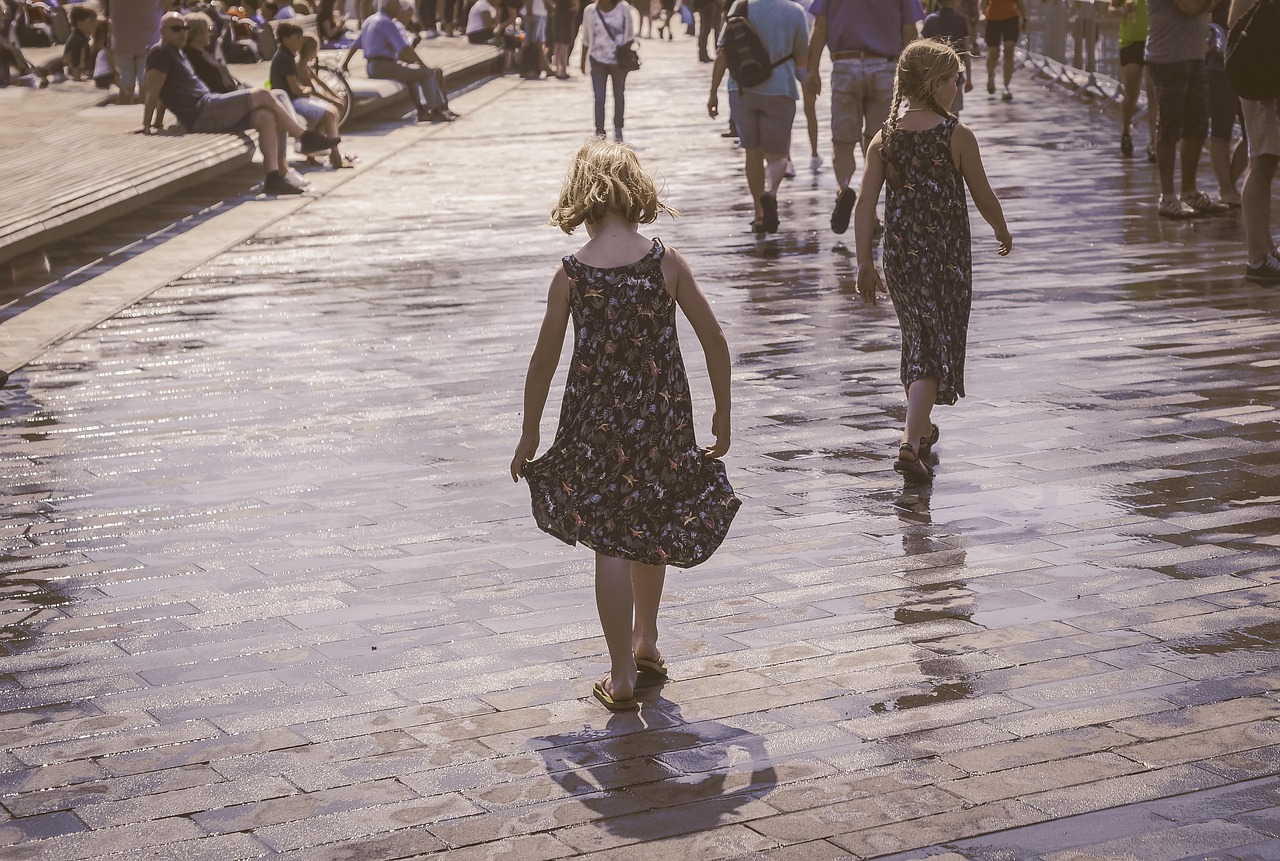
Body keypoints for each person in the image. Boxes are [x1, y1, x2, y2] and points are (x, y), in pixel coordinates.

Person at [510, 139, 740, 711]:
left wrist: (530, 432)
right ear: (636, 193)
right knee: (650, 526)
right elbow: (715, 341)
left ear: (580, 200)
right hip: (661, 420)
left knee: (609, 540)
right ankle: (647, 640)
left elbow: (544, 361)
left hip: (595, 426)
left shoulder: (571, 275)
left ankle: (621, 674)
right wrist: (723, 414)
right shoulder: (666, 263)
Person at [852, 38, 1012, 484]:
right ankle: (908, 442)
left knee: (917, 340)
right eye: (955, 81)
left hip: (900, 257)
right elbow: (983, 194)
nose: (958, 90)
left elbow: (865, 204)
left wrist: (864, 260)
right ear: (936, 83)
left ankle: (920, 432)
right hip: (946, 261)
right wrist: (1002, 230)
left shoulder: (884, 139)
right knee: (932, 351)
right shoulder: (956, 136)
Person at [143, 11, 338, 194]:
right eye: (175, 29)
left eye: (184, 28)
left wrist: (158, 122)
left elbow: (163, 94)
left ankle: (273, 177)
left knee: (265, 116)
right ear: (162, 32)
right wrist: (147, 125)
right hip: (202, 110)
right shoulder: (160, 53)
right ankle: (303, 137)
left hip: (209, 108)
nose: (182, 33)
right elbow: (154, 91)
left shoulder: (178, 53)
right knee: (264, 94)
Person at [804, 0, 924, 234]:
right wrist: (915, 76)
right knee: (878, 142)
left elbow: (820, 26)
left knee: (843, 140)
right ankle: (873, 214)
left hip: (845, 65)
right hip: (884, 66)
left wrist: (812, 70)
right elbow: (909, 31)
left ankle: (844, 187)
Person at [707, 0, 809, 234]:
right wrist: (809, 84)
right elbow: (802, 62)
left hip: (742, 90)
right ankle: (770, 193)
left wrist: (713, 94)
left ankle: (759, 213)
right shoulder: (795, 12)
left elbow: (722, 53)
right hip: (780, 89)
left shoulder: (741, 7)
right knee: (778, 155)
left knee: (752, 153)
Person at [1146, 0, 1228, 218]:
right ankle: (1168, 196)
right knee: (1169, 127)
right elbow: (1189, 6)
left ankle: (1189, 192)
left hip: (1195, 56)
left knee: (1197, 126)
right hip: (1167, 58)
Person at [341, 0, 458, 122]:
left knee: (411, 74)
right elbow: (404, 49)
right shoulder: (386, 23)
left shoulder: (369, 21)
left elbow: (355, 45)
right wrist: (423, 65)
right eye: (397, 6)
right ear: (389, 5)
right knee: (425, 73)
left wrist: (345, 63)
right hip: (384, 66)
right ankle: (436, 110)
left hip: (372, 67)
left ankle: (422, 111)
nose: (399, 9)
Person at [1230, 0, 1280, 284]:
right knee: (1262, 161)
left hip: (1263, 79)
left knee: (1264, 161)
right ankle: (1257, 258)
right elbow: (1239, 21)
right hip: (1262, 84)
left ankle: (1266, 248)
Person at [271, 22, 352, 168]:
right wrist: (306, 90)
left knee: (331, 112)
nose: (299, 43)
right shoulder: (285, 58)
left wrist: (305, 90)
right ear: (285, 39)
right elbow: (295, 89)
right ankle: (335, 158)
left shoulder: (286, 56)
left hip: (292, 98)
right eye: (296, 39)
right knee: (329, 114)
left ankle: (315, 148)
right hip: (291, 101)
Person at [579, 0, 634, 141]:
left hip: (619, 61)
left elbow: (630, 34)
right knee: (599, 97)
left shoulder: (623, 8)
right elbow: (585, 37)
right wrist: (582, 60)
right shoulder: (590, 11)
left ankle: (618, 128)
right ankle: (599, 131)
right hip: (597, 60)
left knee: (619, 95)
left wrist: (626, 55)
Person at [1113, 0, 1158, 160]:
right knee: (1132, 94)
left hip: (1154, 39)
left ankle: (1154, 142)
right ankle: (1126, 131)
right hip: (1131, 41)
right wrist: (1123, 10)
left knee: (1154, 93)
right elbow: (1111, 8)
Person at [922, 0, 971, 113]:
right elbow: (967, 51)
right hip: (955, 73)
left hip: (933, 75)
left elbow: (923, 50)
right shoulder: (961, 20)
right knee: (953, 114)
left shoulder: (930, 20)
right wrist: (969, 78)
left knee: (934, 113)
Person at [111, 0, 164, 104]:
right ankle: (144, 114)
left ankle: (123, 111)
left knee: (126, 85)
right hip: (149, 40)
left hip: (122, 41)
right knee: (146, 85)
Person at [981, 0, 1022, 101]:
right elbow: (983, 3)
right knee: (993, 54)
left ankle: (1006, 87)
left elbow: (1020, 2)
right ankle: (991, 75)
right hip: (992, 18)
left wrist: (1024, 18)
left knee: (1009, 52)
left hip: (1011, 18)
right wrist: (982, 14)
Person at [548, 0, 577, 76]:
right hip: (567, 13)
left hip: (557, 13)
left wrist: (553, 7)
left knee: (557, 43)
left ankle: (557, 68)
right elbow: (575, 3)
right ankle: (563, 69)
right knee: (565, 44)